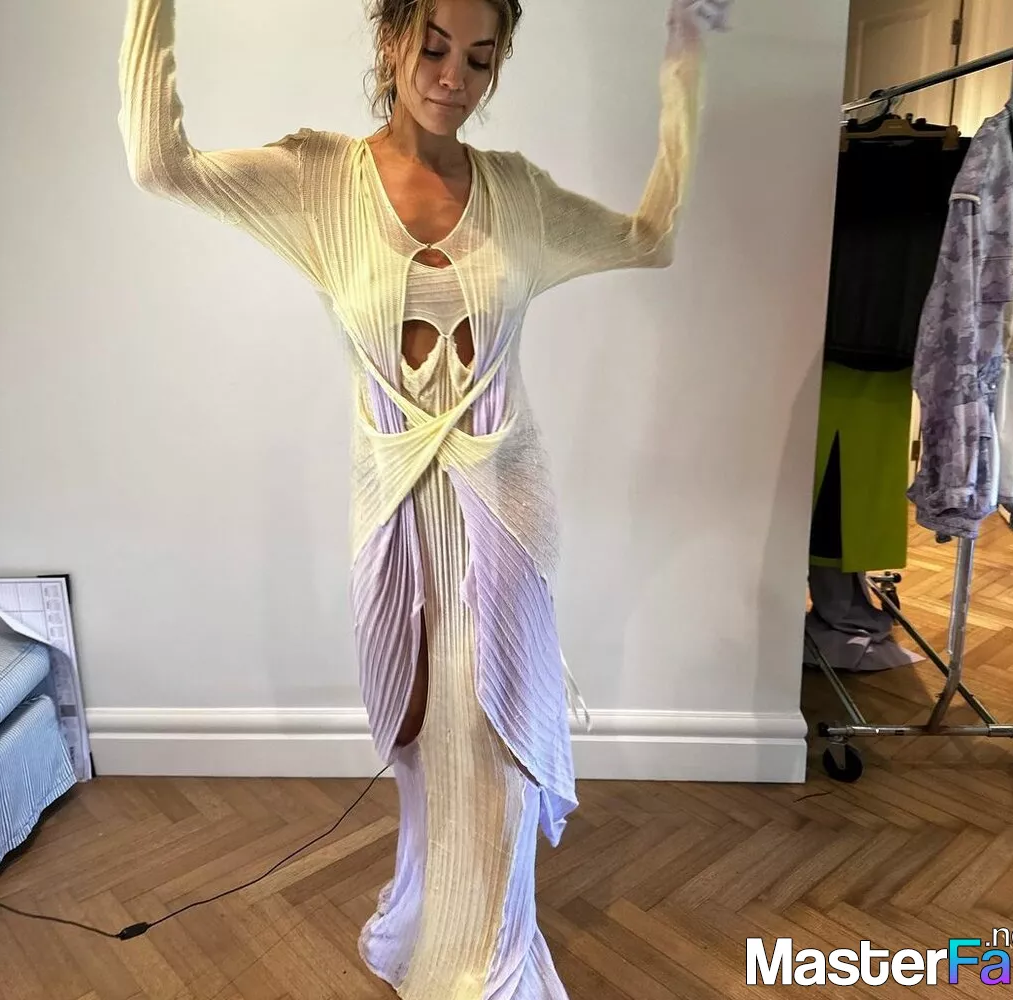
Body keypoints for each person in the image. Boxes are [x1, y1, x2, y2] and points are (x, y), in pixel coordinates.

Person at [118, 0, 730, 996]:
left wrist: (683, 61)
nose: (453, 77)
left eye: (479, 59)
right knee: (415, 738)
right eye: (434, 48)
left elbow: (649, 237)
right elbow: (159, 163)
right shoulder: (319, 180)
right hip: (393, 517)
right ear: (390, 40)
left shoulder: (518, 195)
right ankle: (430, 922)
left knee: (492, 743)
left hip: (506, 515)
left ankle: (488, 969)